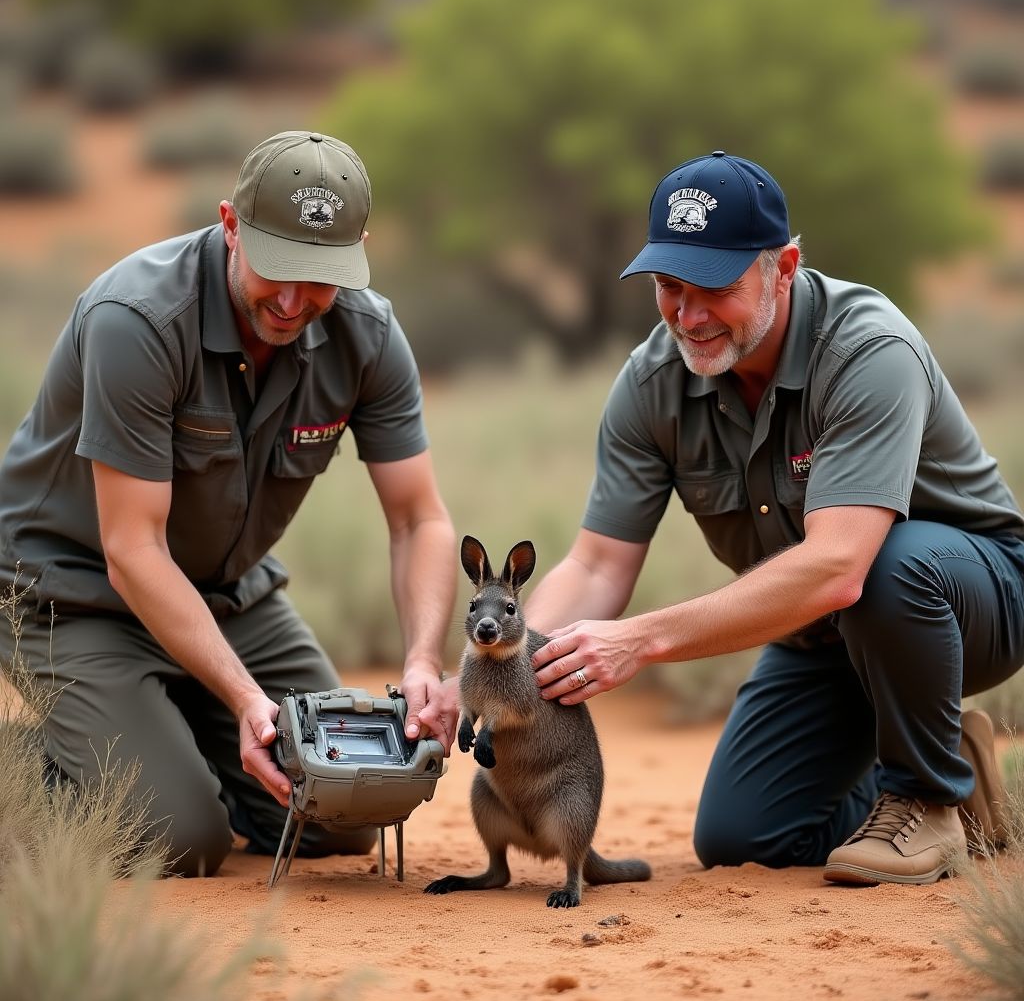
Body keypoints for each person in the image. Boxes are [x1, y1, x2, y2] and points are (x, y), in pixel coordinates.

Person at [525, 150, 1024, 885]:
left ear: (784, 266)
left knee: (888, 562)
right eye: (668, 287)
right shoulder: (652, 383)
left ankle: (927, 795)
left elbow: (837, 568)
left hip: (973, 602)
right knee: (742, 835)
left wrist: (640, 641)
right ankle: (962, 772)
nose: (688, 317)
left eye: (715, 288)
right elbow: (598, 563)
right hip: (822, 636)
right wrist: (506, 668)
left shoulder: (866, 350)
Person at [0, 130, 460, 877]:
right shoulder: (139, 320)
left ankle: (161, 729)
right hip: (70, 596)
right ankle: (55, 755)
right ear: (230, 225)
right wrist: (247, 698)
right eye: (277, 267)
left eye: (319, 277)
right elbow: (132, 550)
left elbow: (419, 519)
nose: (291, 299)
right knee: (175, 836)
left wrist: (421, 662)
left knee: (342, 809)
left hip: (226, 595)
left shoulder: (368, 335)